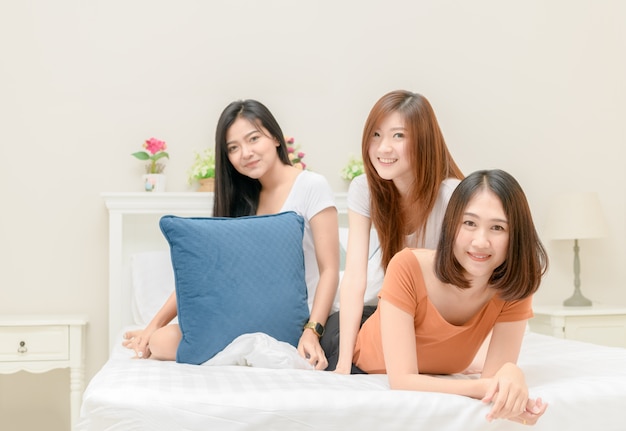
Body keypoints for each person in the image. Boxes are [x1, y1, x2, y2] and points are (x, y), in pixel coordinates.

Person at [123, 99, 339, 370]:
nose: (245, 153)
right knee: (160, 341)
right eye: (233, 148)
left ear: (275, 137)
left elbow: (330, 269)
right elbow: (206, 276)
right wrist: (151, 326)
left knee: (166, 341)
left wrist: (312, 330)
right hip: (242, 312)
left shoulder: (311, 186)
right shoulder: (241, 200)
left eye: (253, 139)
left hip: (295, 317)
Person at [353, 169, 549, 425]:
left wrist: (513, 374)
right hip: (359, 348)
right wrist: (481, 387)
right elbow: (401, 381)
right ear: (452, 225)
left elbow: (494, 382)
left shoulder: (515, 286)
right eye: (469, 223)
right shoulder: (407, 265)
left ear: (516, 236)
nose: (481, 241)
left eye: (498, 228)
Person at [322, 90, 463, 373]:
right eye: (376, 135)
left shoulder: (453, 196)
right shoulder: (364, 189)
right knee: (334, 336)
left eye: (398, 136)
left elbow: (469, 283)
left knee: (399, 340)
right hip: (387, 312)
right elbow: (354, 279)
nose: (383, 148)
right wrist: (342, 366)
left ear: (423, 140)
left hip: (436, 317)